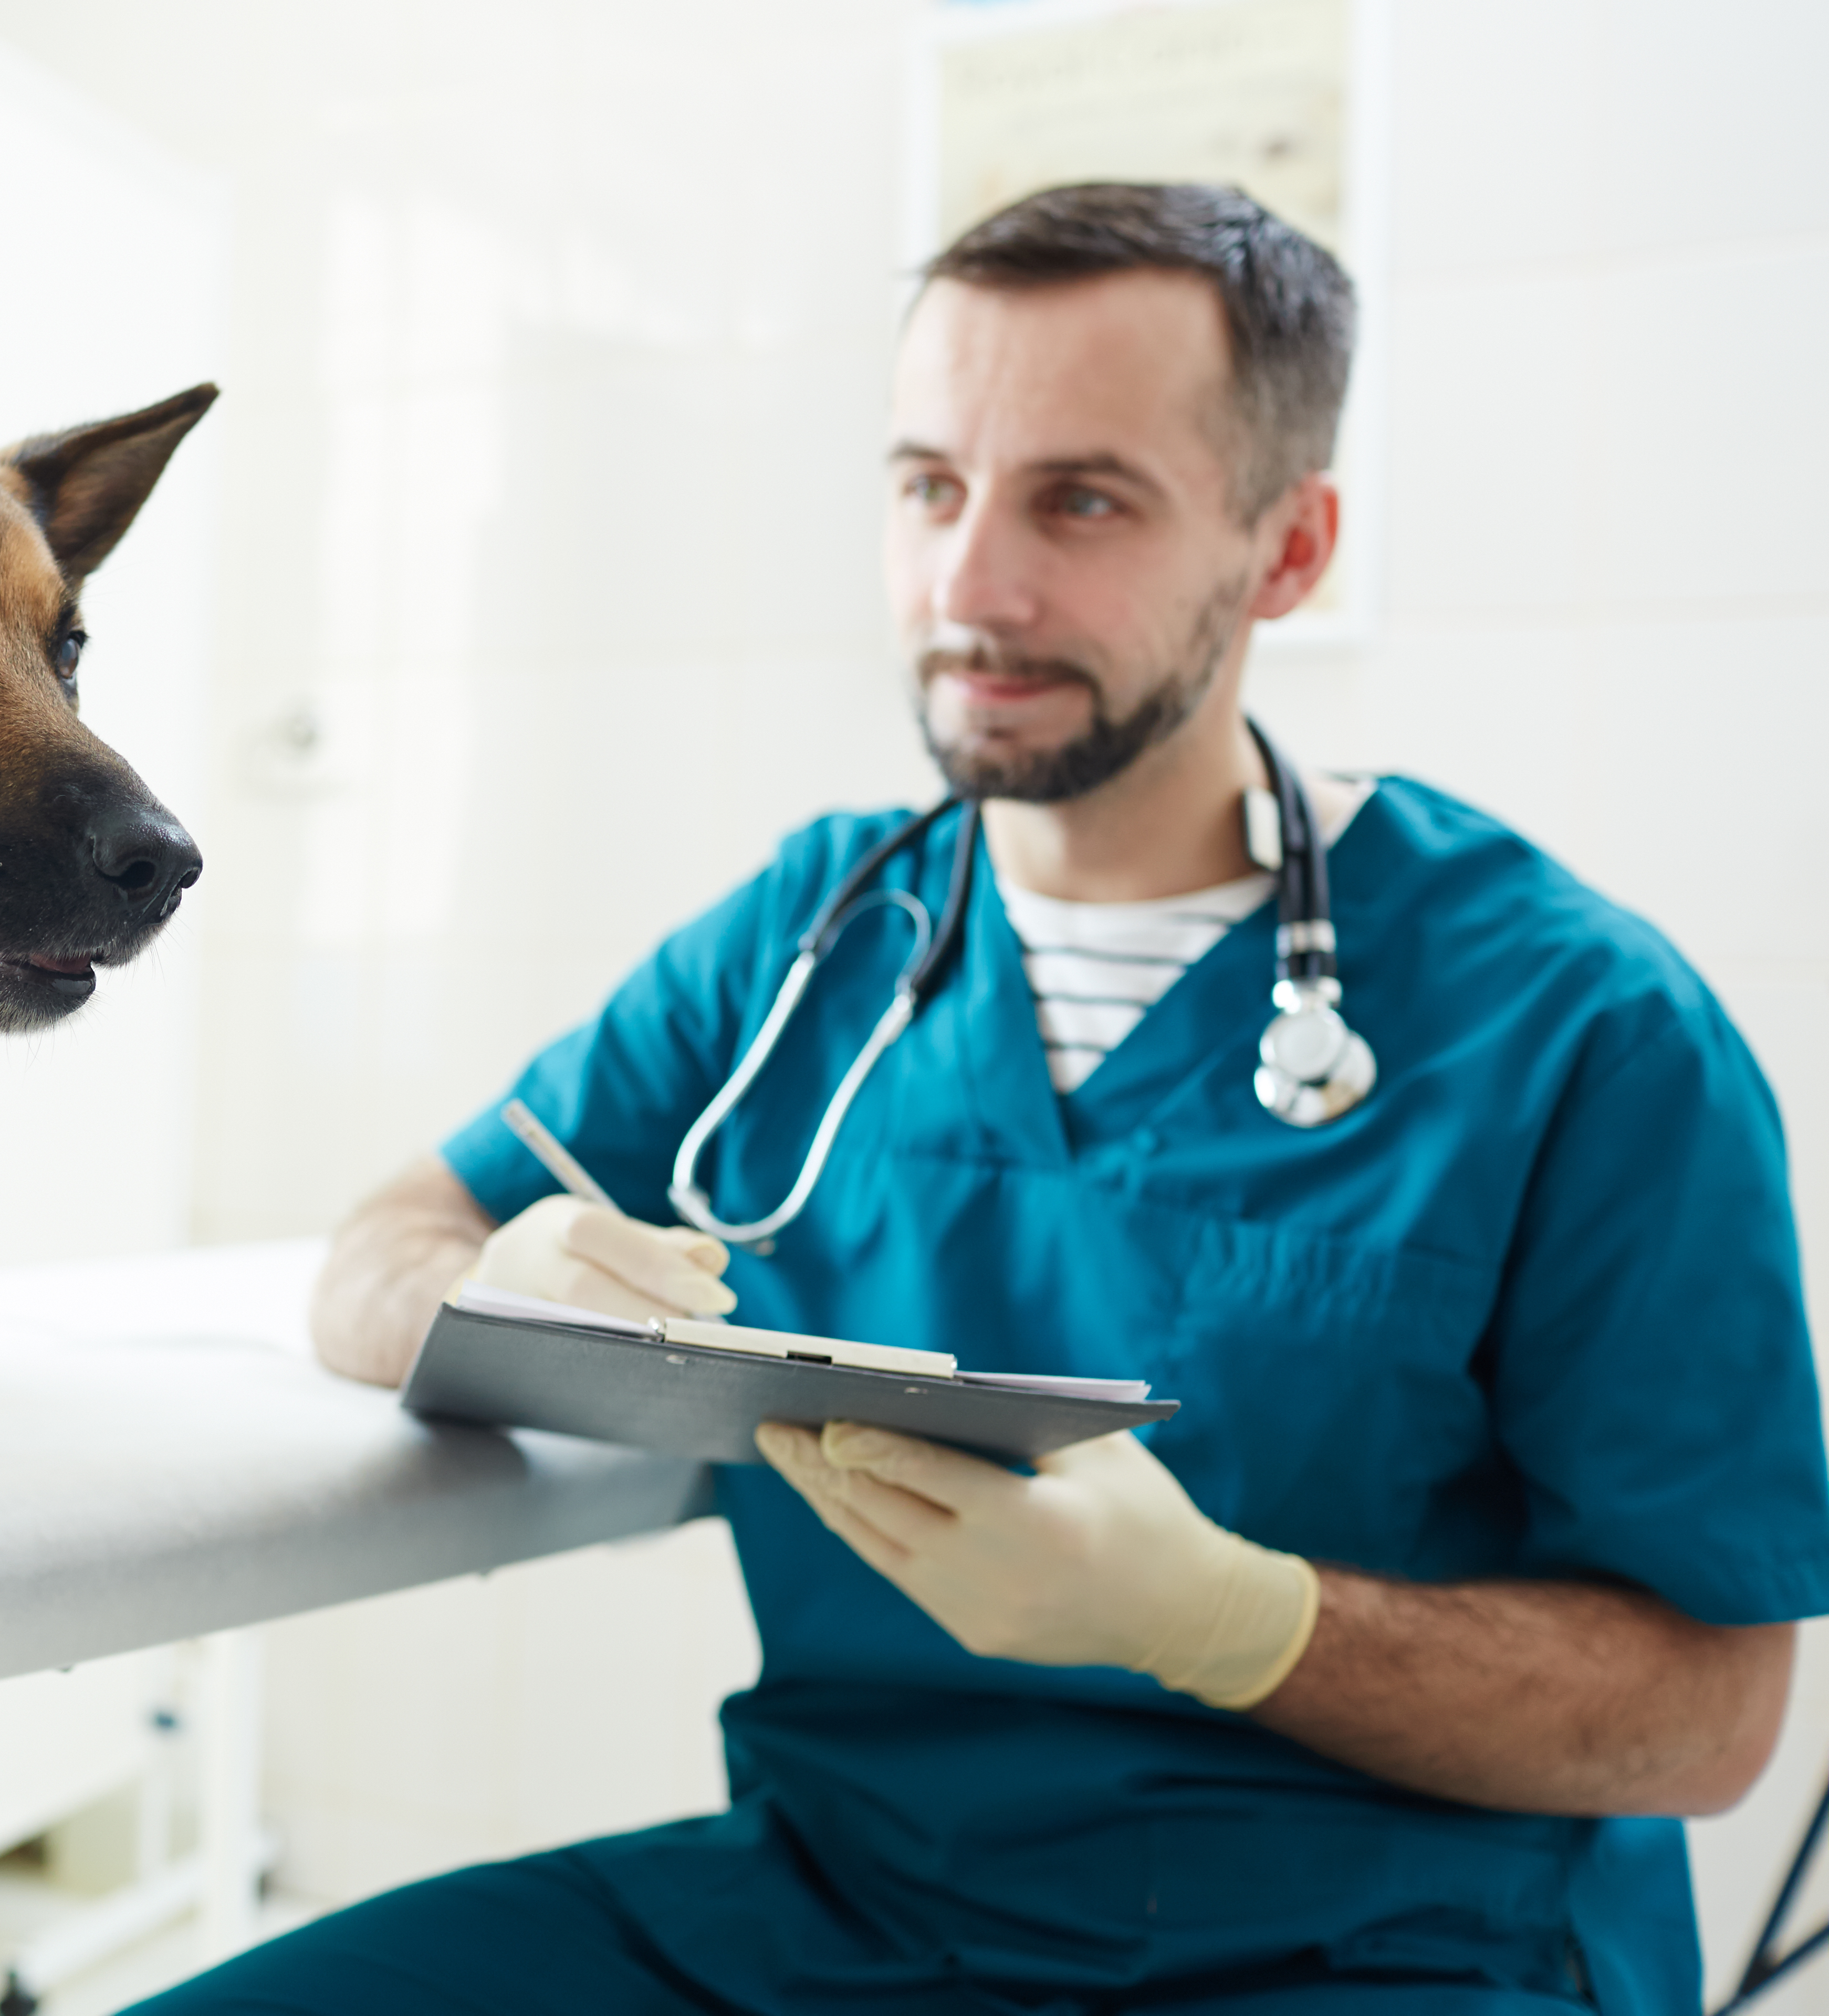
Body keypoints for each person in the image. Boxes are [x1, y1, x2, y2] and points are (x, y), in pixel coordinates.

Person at [129, 184, 1829, 2015]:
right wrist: (493, 1290)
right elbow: (387, 1244)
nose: (972, 588)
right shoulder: (817, 936)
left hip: (1379, 1945)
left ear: (1289, 548)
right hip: (837, 1917)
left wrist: (1236, 1624)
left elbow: (1708, 1717)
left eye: (1081, 502)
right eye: (931, 487)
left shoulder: (1577, 1024)